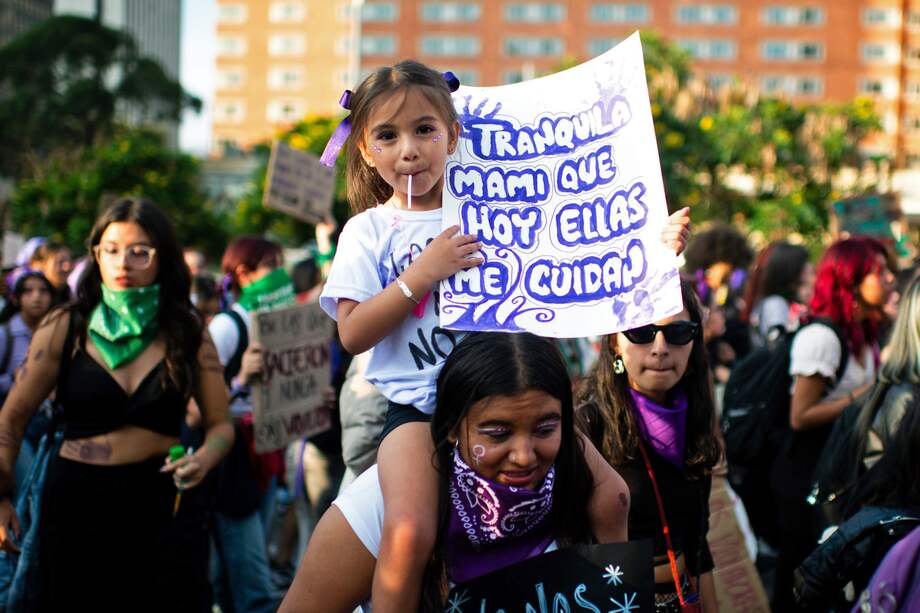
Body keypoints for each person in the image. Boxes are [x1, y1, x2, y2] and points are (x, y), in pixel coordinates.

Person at [318, 59, 692, 612]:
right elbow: (351, 333)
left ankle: (614, 603)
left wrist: (655, 251)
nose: (409, 149)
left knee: (612, 494)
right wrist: (422, 274)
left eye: (425, 129)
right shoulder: (367, 230)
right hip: (420, 413)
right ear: (367, 150)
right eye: (388, 135)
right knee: (408, 535)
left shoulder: (497, 208)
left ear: (453, 134)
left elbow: (587, 247)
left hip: (507, 402)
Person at [0, 197, 234, 611]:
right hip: (75, 505)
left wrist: (206, 458)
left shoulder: (188, 330)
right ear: (95, 256)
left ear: (162, 257)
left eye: (139, 251)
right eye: (111, 250)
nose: (123, 263)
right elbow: (12, 418)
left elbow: (220, 424)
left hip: (161, 504)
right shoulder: (65, 325)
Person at [279, 332, 597, 613]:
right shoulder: (379, 505)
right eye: (498, 433)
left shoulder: (582, 491)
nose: (524, 457)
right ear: (452, 429)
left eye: (545, 429)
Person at [577, 279, 722, 612]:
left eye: (678, 332)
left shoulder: (695, 418)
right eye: (641, 331)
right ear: (614, 343)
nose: (659, 347)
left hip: (684, 598)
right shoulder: (587, 426)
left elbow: (700, 543)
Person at [770, 236, 894, 611]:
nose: (889, 279)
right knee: (800, 579)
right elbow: (800, 416)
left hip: (837, 478)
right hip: (804, 480)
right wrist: (867, 393)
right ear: (852, 280)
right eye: (880, 272)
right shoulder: (822, 337)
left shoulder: (865, 332)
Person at [207, 235, 295, 613]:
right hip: (233, 461)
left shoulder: (276, 323)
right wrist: (241, 378)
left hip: (266, 452)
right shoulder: (227, 328)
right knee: (253, 582)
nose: (281, 277)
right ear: (243, 275)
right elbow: (195, 407)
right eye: (272, 267)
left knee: (236, 573)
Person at [0, 269, 55, 487]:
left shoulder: (57, 332)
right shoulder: (6, 334)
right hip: (13, 425)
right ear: (17, 298)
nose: (37, 297)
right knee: (25, 482)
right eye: (29, 291)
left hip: (48, 424)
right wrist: (15, 381)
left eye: (43, 291)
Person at [740, 241, 813, 345]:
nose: (808, 269)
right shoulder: (775, 304)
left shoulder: (773, 301)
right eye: (803, 268)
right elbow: (778, 345)